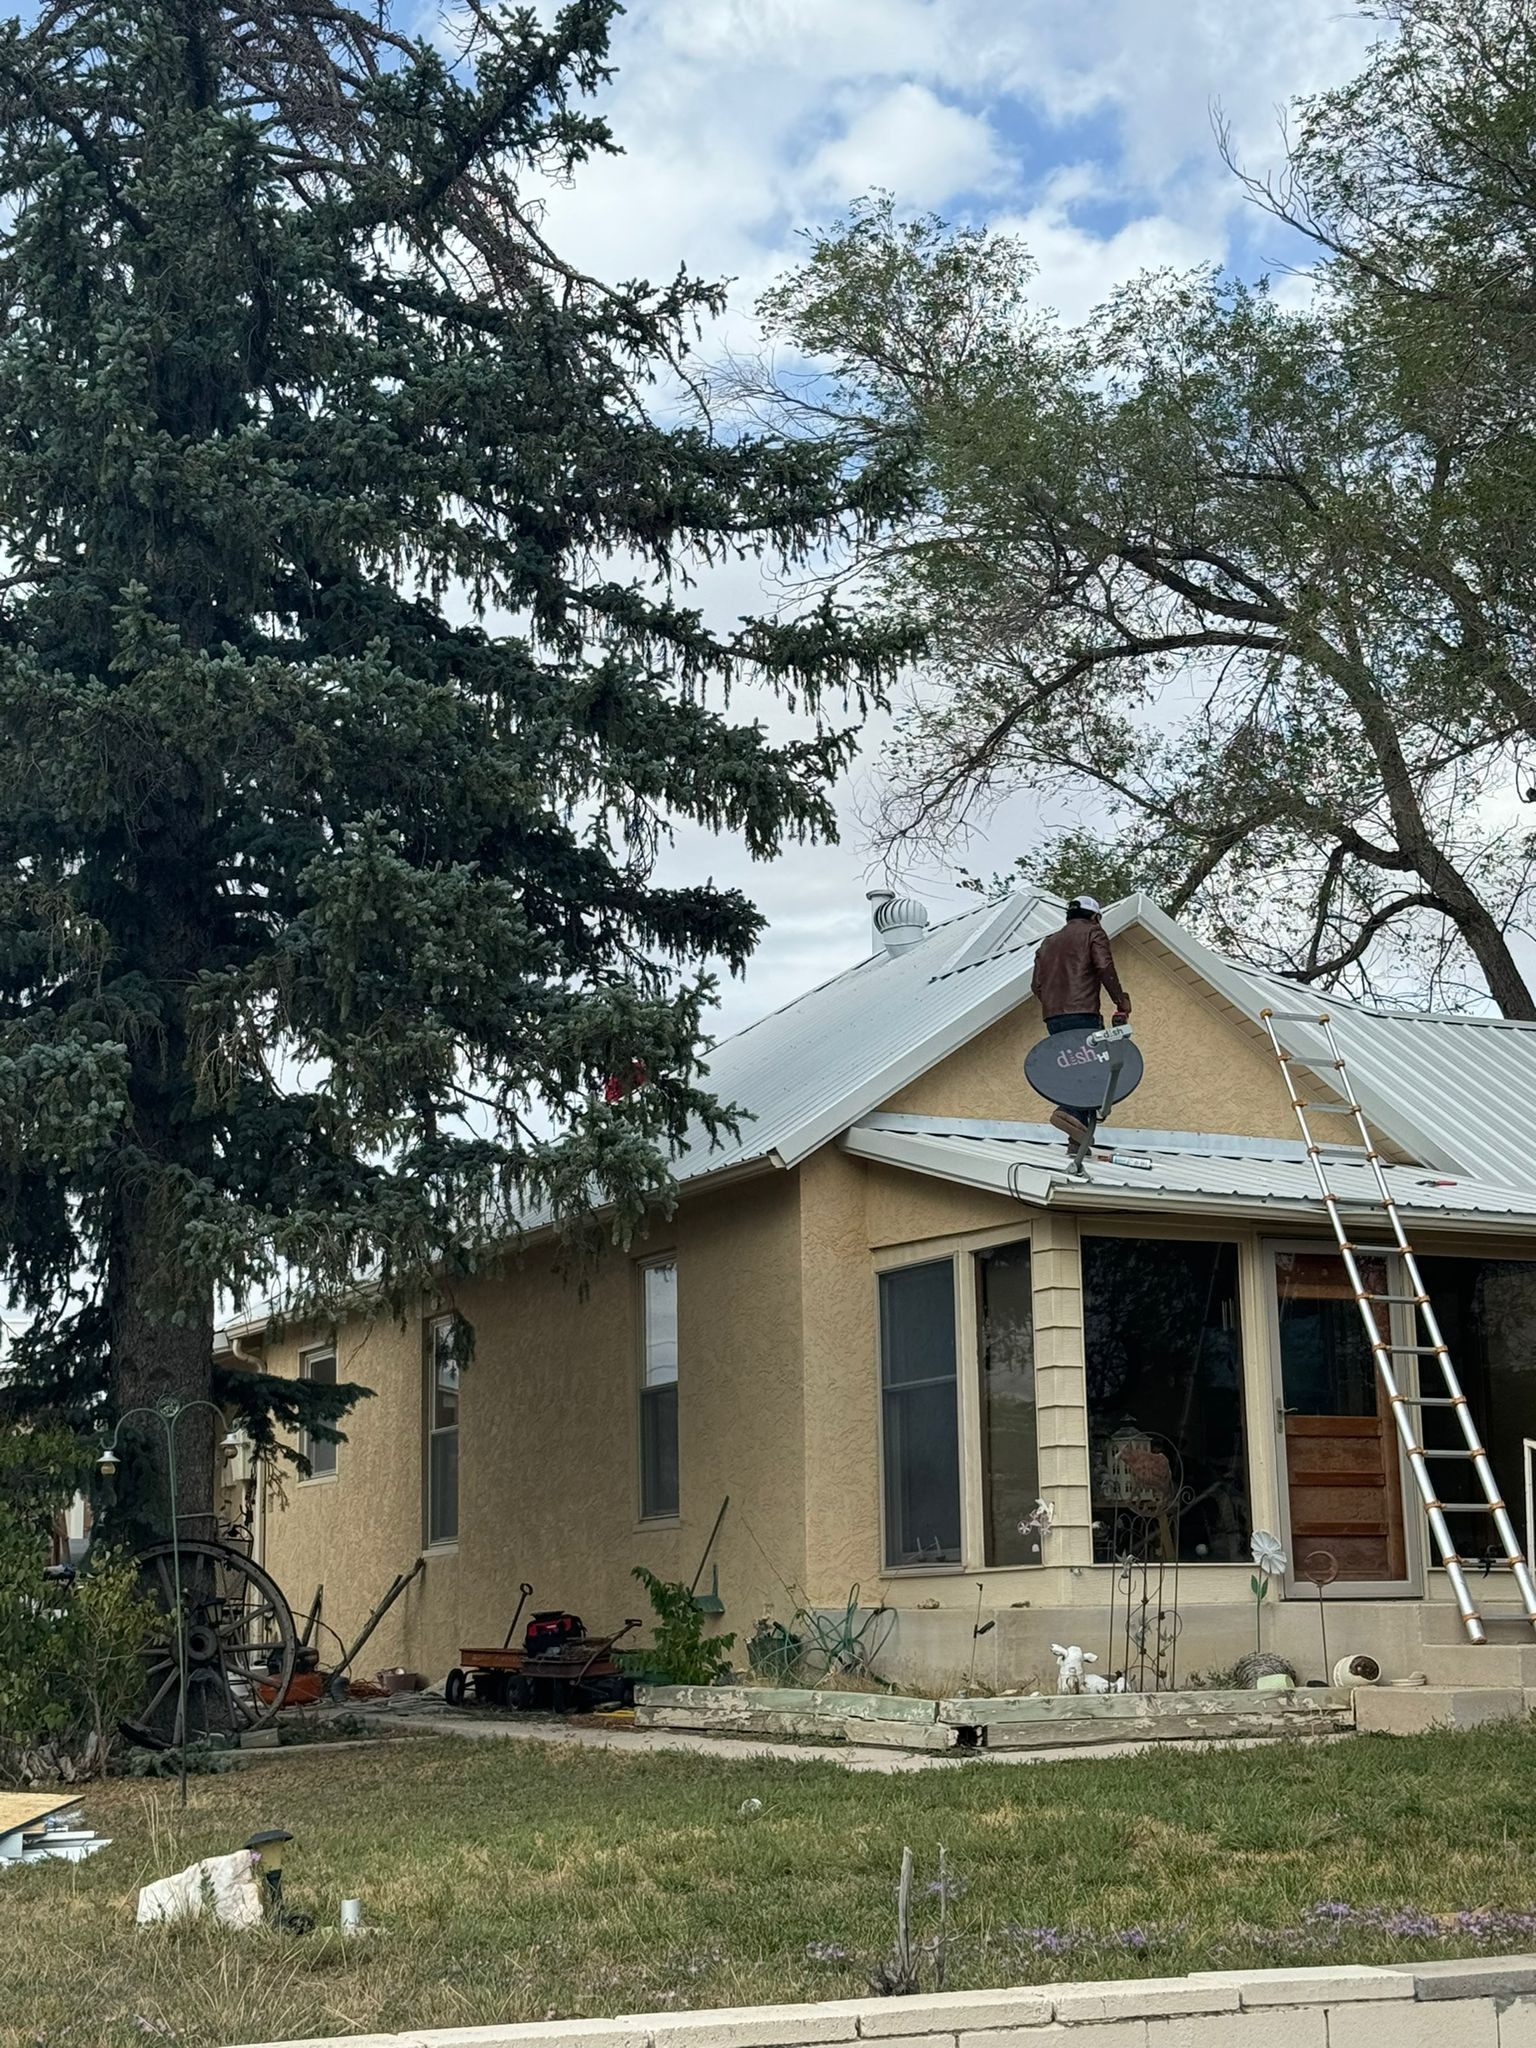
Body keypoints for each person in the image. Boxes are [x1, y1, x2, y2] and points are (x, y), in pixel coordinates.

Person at [1030, 895, 1132, 1146]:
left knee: (1073, 1068)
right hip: (1083, 1013)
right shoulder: (1093, 932)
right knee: (1094, 1067)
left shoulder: (1048, 942)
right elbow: (1104, 967)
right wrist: (1121, 1001)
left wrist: (1054, 1004)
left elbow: (1036, 985)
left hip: (1054, 1018)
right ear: (1095, 917)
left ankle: (1077, 1141)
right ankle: (1067, 1112)